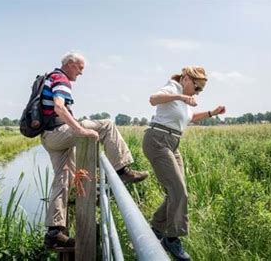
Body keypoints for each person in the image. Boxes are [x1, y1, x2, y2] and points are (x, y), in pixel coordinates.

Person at [40, 51, 149, 249]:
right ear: (71, 64)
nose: (81, 73)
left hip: (48, 136)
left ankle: (54, 232)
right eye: (80, 68)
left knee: (62, 179)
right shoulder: (61, 78)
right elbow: (59, 107)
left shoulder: (50, 77)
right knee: (107, 125)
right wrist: (80, 129)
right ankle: (122, 170)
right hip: (58, 131)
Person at [143, 66, 226, 261]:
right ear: (187, 79)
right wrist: (180, 97)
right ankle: (172, 238)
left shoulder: (185, 99)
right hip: (157, 140)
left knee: (177, 191)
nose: (197, 93)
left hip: (173, 142)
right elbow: (153, 99)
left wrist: (212, 112)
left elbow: (189, 119)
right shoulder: (173, 88)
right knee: (179, 191)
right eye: (197, 88)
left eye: (200, 91)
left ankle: (155, 229)